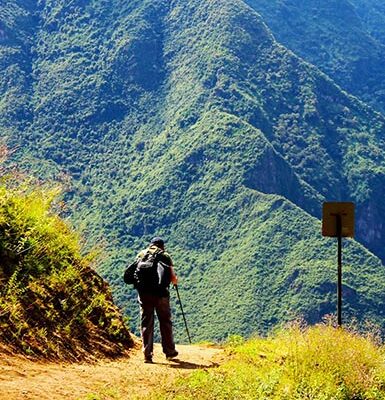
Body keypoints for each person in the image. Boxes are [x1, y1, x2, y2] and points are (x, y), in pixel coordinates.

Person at [135, 237, 178, 363]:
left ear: (151, 245)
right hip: (161, 295)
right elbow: (173, 277)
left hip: (144, 294)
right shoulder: (165, 256)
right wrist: (175, 282)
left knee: (146, 322)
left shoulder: (141, 254)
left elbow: (135, 273)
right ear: (162, 246)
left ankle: (147, 354)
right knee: (165, 321)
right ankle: (169, 352)